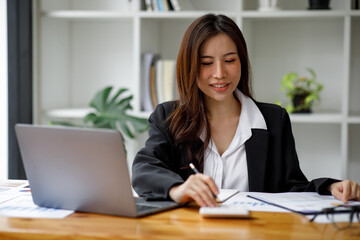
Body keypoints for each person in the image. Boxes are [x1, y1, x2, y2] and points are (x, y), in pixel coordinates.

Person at [132, 14, 360, 207]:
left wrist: (330, 186)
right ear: (190, 66)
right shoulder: (168, 117)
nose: (220, 73)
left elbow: (293, 187)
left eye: (229, 60)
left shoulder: (273, 120)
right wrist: (177, 189)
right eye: (206, 63)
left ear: (242, 61)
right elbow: (144, 169)